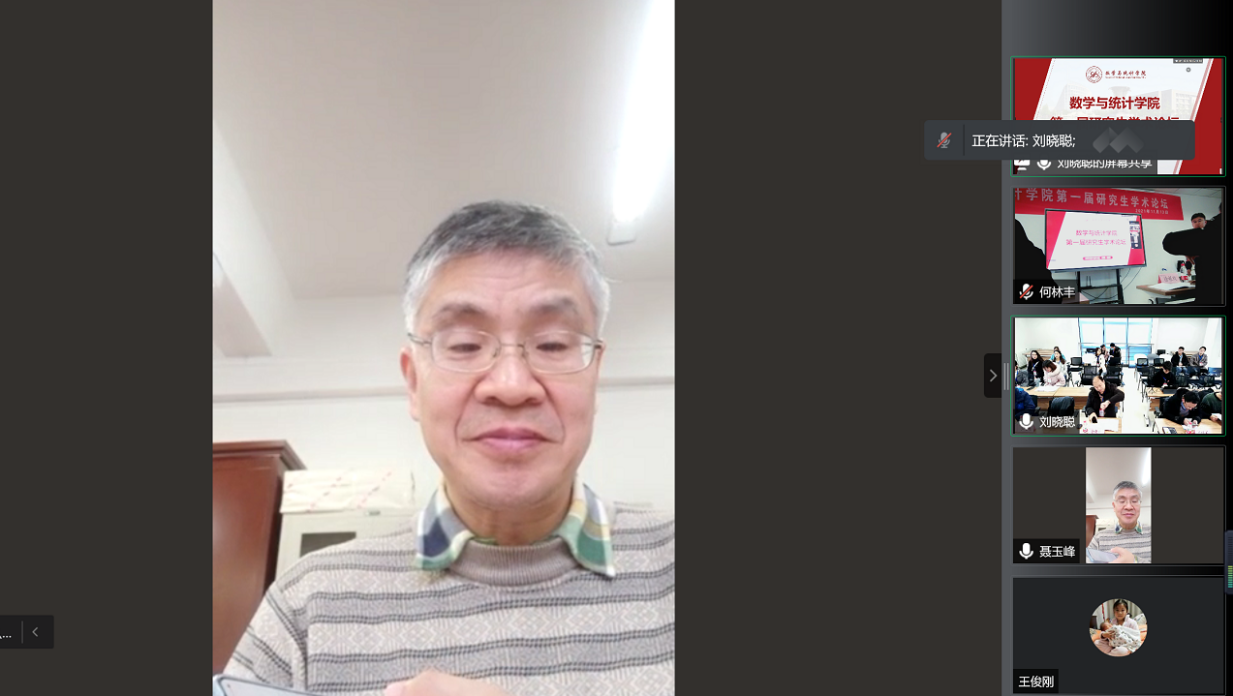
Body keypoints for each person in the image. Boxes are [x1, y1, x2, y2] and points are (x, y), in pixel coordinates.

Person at [223, 202, 675, 696]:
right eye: (463, 345)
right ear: (414, 383)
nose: (510, 386)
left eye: (551, 344)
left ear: (595, 375)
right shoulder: (307, 606)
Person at [1163, 202, 1222, 305]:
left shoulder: (1210, 233)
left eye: (1200, 221)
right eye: (1194, 222)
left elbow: (1168, 242)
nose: (1197, 223)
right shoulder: (1200, 237)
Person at [1087, 483, 1150, 563]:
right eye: (1122, 501)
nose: (1128, 507)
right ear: (1114, 506)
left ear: (1140, 505)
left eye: (1134, 501)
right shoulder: (1099, 538)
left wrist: (1135, 561)